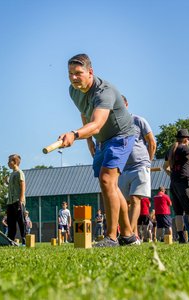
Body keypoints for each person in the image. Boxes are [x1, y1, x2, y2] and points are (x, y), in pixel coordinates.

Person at [58, 54, 136, 247]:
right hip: (101, 139)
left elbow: (98, 123)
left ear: (90, 72)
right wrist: (89, 142)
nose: (74, 78)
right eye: (70, 74)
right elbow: (84, 113)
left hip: (120, 136)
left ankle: (111, 237)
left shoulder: (104, 91)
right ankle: (128, 236)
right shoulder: (73, 90)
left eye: (78, 73)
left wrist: (75, 135)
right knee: (110, 186)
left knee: (107, 180)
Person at [118, 95, 156, 244]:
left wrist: (148, 162)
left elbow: (151, 142)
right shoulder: (114, 125)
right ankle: (127, 233)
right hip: (123, 168)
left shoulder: (138, 120)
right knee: (123, 202)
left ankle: (132, 234)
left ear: (126, 104)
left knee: (135, 199)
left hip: (140, 165)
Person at [7, 154, 26, 245]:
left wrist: (21, 200)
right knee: (11, 222)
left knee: (21, 221)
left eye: (9, 161)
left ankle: (24, 240)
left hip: (17, 201)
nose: (7, 163)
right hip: (10, 202)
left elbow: (22, 185)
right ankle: (11, 240)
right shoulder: (11, 174)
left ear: (14, 162)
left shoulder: (19, 172)